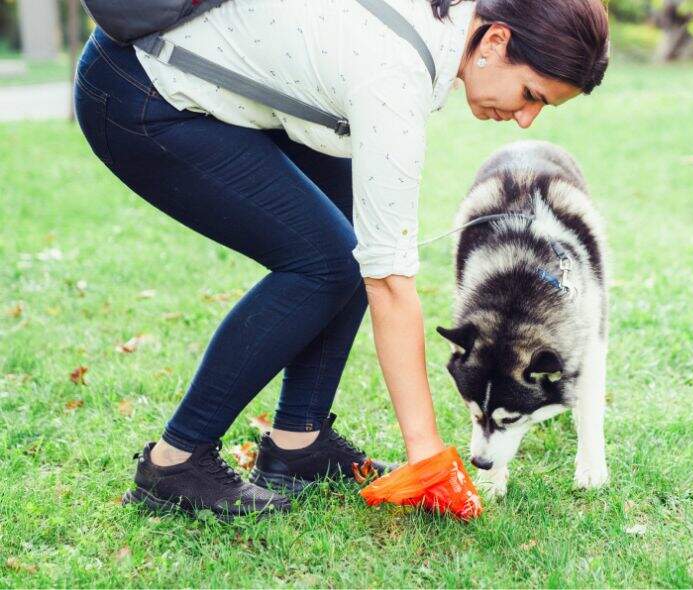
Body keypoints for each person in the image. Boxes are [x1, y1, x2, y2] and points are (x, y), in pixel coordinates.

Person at [73, 0, 609, 520]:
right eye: (531, 94)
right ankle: (176, 461)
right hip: (138, 94)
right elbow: (391, 285)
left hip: (234, 91)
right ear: (496, 40)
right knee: (326, 263)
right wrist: (426, 455)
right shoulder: (396, 77)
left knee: (349, 238)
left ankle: (297, 445)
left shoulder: (438, 29)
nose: (526, 121)